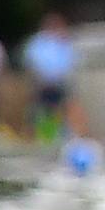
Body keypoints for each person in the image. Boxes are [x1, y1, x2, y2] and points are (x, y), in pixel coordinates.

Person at [24, 12, 76, 140]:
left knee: (62, 112)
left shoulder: (63, 42)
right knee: (42, 113)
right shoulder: (37, 42)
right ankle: (44, 137)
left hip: (60, 85)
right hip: (42, 85)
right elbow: (31, 62)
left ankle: (60, 137)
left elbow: (71, 62)